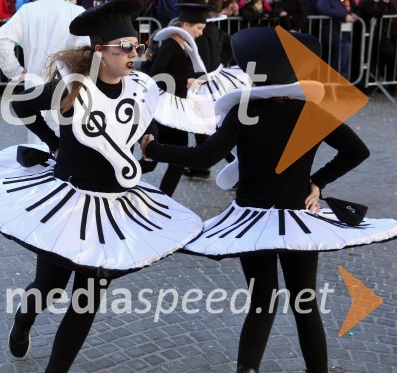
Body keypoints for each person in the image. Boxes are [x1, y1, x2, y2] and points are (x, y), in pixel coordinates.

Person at [141, 27, 397, 373]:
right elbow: (357, 151)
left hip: (252, 220)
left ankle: (247, 370)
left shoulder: (244, 111)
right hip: (297, 218)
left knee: (261, 302)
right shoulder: (310, 111)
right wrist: (317, 182)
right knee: (304, 303)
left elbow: (203, 157)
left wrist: (152, 148)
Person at [0, 0, 202, 373]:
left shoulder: (139, 89)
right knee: (48, 286)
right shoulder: (72, 86)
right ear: (99, 51)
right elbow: (23, 106)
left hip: (114, 206)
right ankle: (23, 323)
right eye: (124, 48)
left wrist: (149, 150)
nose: (133, 55)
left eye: (137, 47)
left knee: (87, 300)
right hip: (69, 202)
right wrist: (54, 142)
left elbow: (146, 133)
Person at [0, 0, 90, 144]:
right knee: (67, 142)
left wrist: (16, 71)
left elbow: (3, 39)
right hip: (66, 86)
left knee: (40, 143)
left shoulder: (28, 10)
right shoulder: (76, 11)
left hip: (35, 85)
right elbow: (85, 49)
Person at [146, 0, 216, 197]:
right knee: (170, 160)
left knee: (165, 161)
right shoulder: (171, 45)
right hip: (167, 111)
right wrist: (185, 82)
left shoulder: (180, 45)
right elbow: (157, 73)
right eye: (199, 28)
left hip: (172, 109)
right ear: (186, 26)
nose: (200, 33)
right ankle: (161, 200)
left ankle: (162, 199)